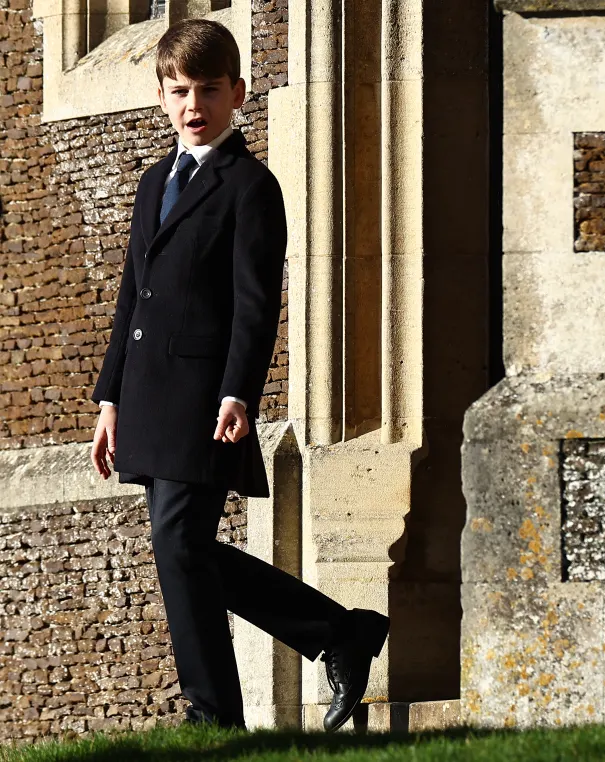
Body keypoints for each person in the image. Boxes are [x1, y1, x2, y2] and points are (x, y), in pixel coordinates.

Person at [88, 18, 388, 732]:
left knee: (177, 541)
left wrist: (237, 392)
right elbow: (134, 296)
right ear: (162, 97)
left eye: (209, 91)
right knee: (181, 547)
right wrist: (109, 397)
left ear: (238, 95)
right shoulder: (154, 180)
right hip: (148, 395)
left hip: (203, 396)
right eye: (180, 91)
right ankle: (337, 633)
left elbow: (256, 305)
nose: (195, 105)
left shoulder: (252, 186)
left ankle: (213, 711)